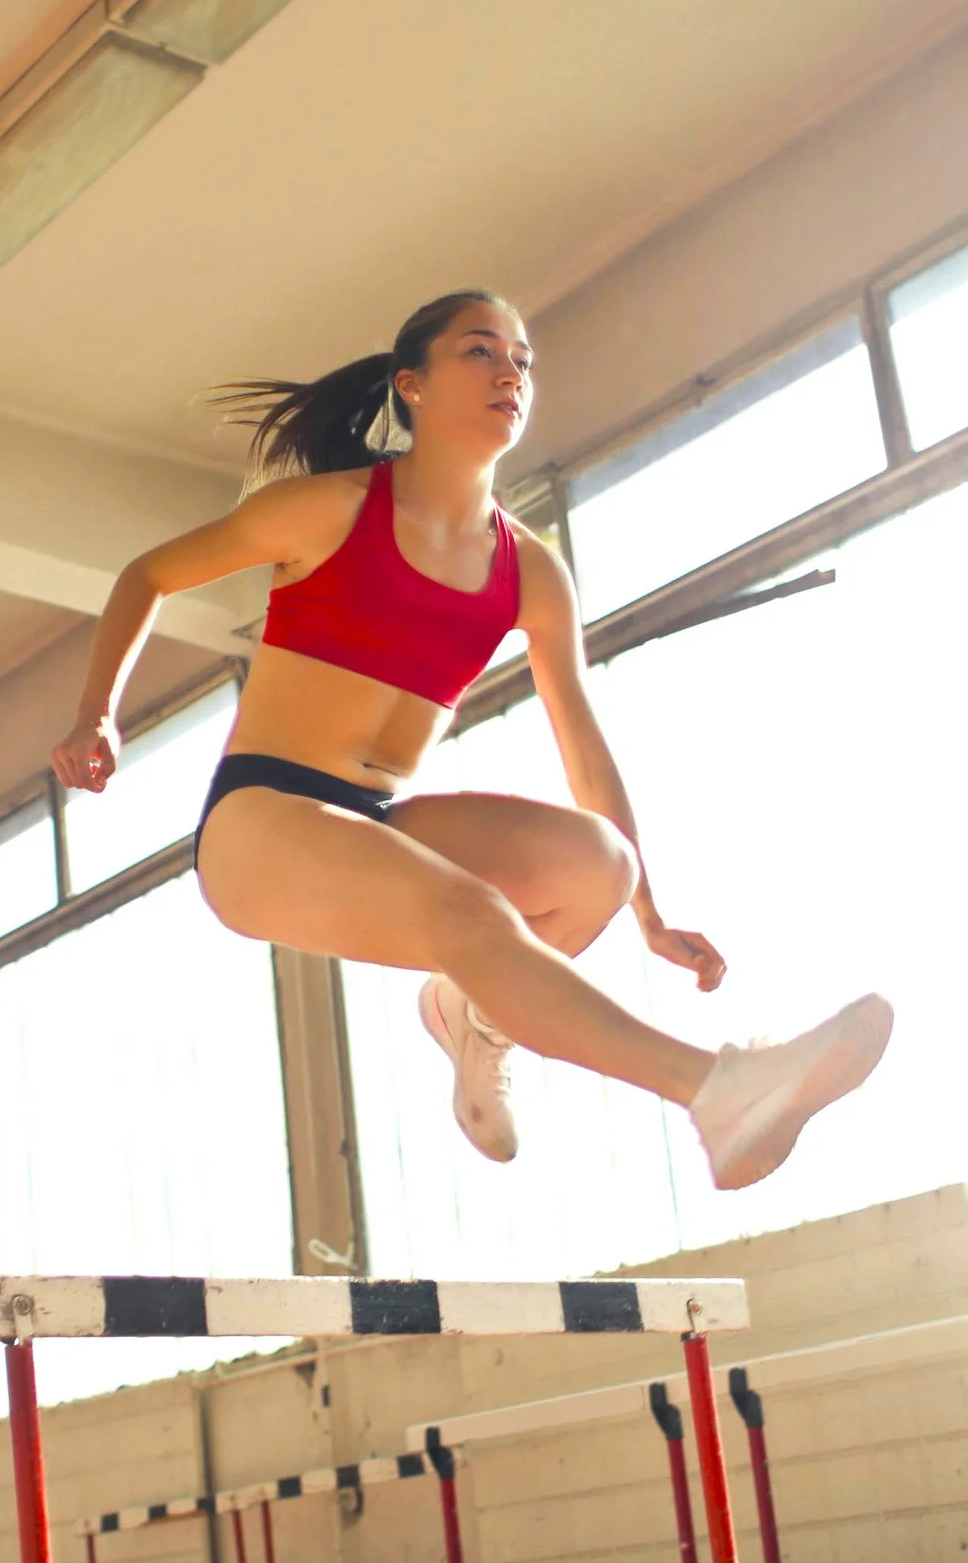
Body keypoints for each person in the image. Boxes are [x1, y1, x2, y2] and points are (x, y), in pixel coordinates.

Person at [50, 289, 889, 1189]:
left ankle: (472, 1015)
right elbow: (152, 573)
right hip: (260, 821)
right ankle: (716, 1092)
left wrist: (645, 911)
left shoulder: (531, 570)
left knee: (599, 864)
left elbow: (582, 742)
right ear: (412, 386)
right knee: (474, 914)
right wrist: (98, 709)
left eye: (523, 361)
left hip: (374, 821)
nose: (510, 375)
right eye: (481, 353)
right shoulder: (328, 509)